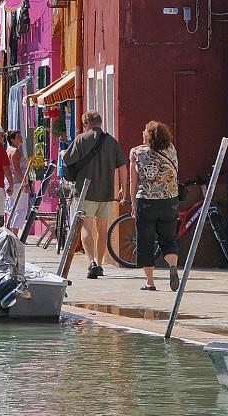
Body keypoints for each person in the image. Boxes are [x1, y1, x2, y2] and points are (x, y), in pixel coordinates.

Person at [62, 110, 128, 279]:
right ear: (99, 122)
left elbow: (68, 159)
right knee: (102, 228)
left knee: (86, 227)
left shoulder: (81, 140)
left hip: (85, 191)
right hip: (106, 192)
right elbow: (122, 167)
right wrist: (123, 189)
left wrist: (63, 153)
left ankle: (91, 262)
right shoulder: (112, 142)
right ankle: (100, 264)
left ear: (86, 124)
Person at [129, 121, 181, 292]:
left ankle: (150, 282)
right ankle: (172, 266)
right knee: (169, 239)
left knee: (145, 242)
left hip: (146, 201)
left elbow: (133, 181)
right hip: (170, 201)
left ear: (149, 136)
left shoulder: (137, 153)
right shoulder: (171, 149)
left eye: (145, 131)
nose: (142, 133)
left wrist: (132, 204)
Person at [5, 129, 30, 234]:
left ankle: (11, 233)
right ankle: (14, 234)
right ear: (12, 139)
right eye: (18, 137)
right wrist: (25, 183)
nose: (21, 138)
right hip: (18, 183)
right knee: (20, 210)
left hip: (11, 182)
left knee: (12, 209)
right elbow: (16, 169)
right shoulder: (15, 151)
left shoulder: (8, 151)